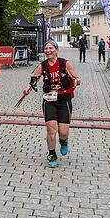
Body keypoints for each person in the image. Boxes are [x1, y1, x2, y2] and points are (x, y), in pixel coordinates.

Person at [22, 40, 81, 168]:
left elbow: (76, 77)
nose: (48, 51)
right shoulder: (42, 66)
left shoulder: (65, 63)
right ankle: (52, 154)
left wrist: (76, 80)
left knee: (63, 131)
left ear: (56, 50)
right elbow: (34, 79)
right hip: (49, 100)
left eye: (50, 48)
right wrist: (28, 88)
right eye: (46, 49)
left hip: (64, 99)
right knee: (51, 129)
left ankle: (63, 141)